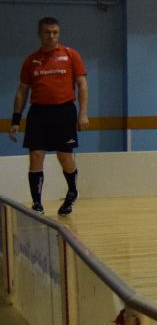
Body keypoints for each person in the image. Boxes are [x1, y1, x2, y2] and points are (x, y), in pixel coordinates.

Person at [10, 17, 88, 215]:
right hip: (38, 113)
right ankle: (37, 204)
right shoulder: (31, 61)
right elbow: (22, 92)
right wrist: (16, 120)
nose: (51, 36)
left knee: (64, 157)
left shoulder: (70, 55)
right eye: (47, 32)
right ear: (40, 34)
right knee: (36, 156)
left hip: (64, 112)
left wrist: (83, 114)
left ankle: (72, 191)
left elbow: (82, 85)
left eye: (55, 32)